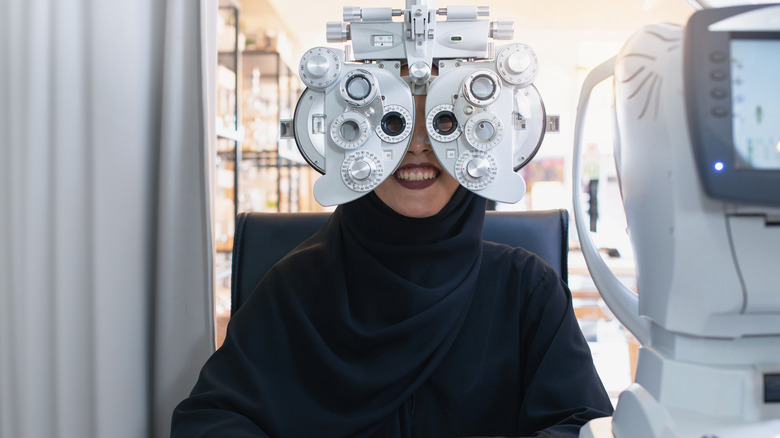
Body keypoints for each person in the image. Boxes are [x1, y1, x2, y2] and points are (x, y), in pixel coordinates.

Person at [171, 80, 614, 437]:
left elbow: (581, 423)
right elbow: (210, 420)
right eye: (391, 124)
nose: (417, 145)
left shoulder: (526, 289)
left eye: (443, 123)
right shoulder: (295, 287)